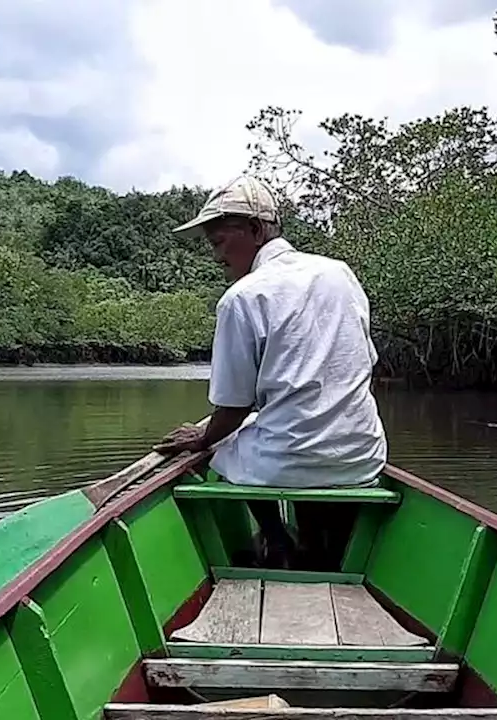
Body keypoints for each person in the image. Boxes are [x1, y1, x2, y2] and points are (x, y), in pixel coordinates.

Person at [153, 174, 387, 570]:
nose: (216, 256)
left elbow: (232, 409)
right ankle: (318, 545)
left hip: (291, 462)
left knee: (221, 446)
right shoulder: (340, 273)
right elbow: (365, 362)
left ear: (256, 230)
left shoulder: (241, 298)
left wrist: (201, 438)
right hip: (364, 457)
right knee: (289, 438)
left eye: (219, 241)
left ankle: (277, 539)